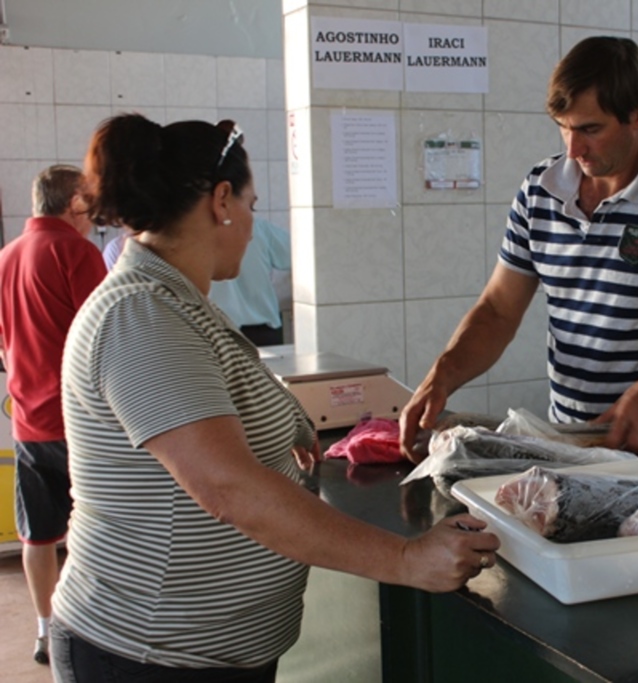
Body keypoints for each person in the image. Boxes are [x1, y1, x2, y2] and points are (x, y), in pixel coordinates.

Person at [50, 114, 499, 681]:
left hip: (208, 653)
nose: (252, 221)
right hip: (147, 652)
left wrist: (284, 430)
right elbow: (226, 486)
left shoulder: (179, 302)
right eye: (253, 205)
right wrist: (406, 559)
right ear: (221, 201)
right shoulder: (141, 314)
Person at [400, 36, 638, 461]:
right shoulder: (539, 191)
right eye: (563, 126)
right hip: (565, 448)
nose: (573, 149)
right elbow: (498, 310)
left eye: (590, 129)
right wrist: (444, 373)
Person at [0, 164, 107, 665]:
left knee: (37, 533)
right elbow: (107, 335)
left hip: (27, 419)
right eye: (90, 201)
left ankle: (45, 630)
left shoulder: (6, 258)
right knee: (99, 528)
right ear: (73, 205)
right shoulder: (76, 252)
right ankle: (96, 626)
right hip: (82, 423)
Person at [208, 216, 291, 346]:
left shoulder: (191, 233)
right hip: (262, 330)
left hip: (216, 331)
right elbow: (303, 254)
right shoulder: (259, 228)